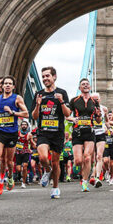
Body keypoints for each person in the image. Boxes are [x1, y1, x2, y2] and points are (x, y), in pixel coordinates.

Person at [0, 76, 28, 197]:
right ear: (2, 86)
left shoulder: (17, 98)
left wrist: (13, 112)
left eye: (10, 84)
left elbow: (26, 113)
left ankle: (9, 177)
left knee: (8, 161)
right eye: (5, 83)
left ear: (13, 86)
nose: (7, 85)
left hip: (12, 133)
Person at [32, 66, 71, 199]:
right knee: (42, 157)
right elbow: (35, 117)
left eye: (47, 76)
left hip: (58, 132)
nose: (45, 79)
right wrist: (37, 105)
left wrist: (61, 101)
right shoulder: (39, 94)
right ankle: (47, 171)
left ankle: (55, 187)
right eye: (43, 76)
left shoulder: (62, 92)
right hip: (43, 132)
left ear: (54, 77)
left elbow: (67, 114)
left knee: (55, 162)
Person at [69, 79, 98, 193]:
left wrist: (99, 116)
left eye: (87, 84)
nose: (85, 86)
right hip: (77, 132)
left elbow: (98, 118)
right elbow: (67, 115)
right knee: (78, 161)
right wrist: (73, 119)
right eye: (83, 84)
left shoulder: (94, 101)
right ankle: (82, 173)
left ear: (90, 87)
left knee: (87, 157)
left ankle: (85, 182)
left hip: (89, 132)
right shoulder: (74, 101)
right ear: (79, 88)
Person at [91, 93, 109, 187]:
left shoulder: (104, 109)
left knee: (99, 156)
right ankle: (92, 175)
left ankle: (97, 177)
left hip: (101, 133)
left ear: (100, 99)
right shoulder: (88, 108)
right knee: (92, 158)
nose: (95, 101)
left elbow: (107, 121)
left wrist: (109, 128)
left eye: (97, 99)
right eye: (93, 99)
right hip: (91, 134)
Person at [15, 120, 34, 188]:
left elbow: (32, 144)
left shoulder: (29, 134)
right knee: (19, 169)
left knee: (25, 166)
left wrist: (34, 146)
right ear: (21, 126)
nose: (24, 126)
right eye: (22, 124)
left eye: (25, 125)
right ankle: (21, 175)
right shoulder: (17, 133)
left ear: (27, 126)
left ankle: (23, 183)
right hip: (18, 152)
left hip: (26, 152)